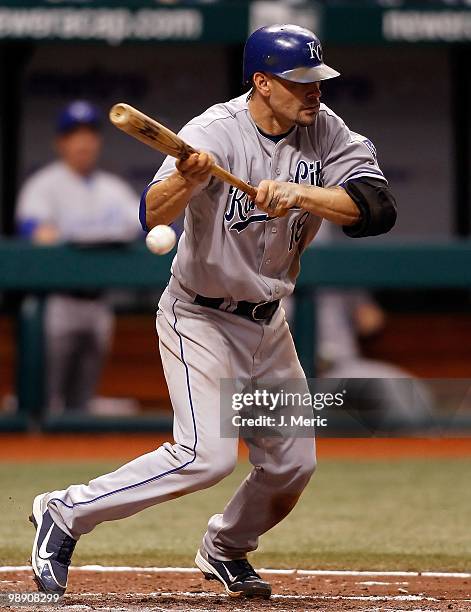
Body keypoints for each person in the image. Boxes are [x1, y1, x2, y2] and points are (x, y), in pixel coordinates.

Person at [29, 25, 396, 599]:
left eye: (317, 82)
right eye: (299, 83)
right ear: (262, 82)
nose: (313, 93)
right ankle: (65, 512)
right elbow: (153, 214)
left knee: (292, 465)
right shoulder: (214, 132)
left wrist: (300, 194)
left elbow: (377, 208)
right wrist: (186, 178)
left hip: (268, 323)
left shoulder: (328, 134)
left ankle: (225, 547)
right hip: (200, 316)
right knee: (205, 455)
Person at [17, 100, 141, 414]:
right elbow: (34, 231)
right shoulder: (43, 186)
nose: (83, 142)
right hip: (58, 303)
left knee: (83, 402)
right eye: (74, 134)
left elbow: (145, 225)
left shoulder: (113, 188)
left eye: (89, 134)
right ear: (61, 142)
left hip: (98, 303)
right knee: (48, 399)